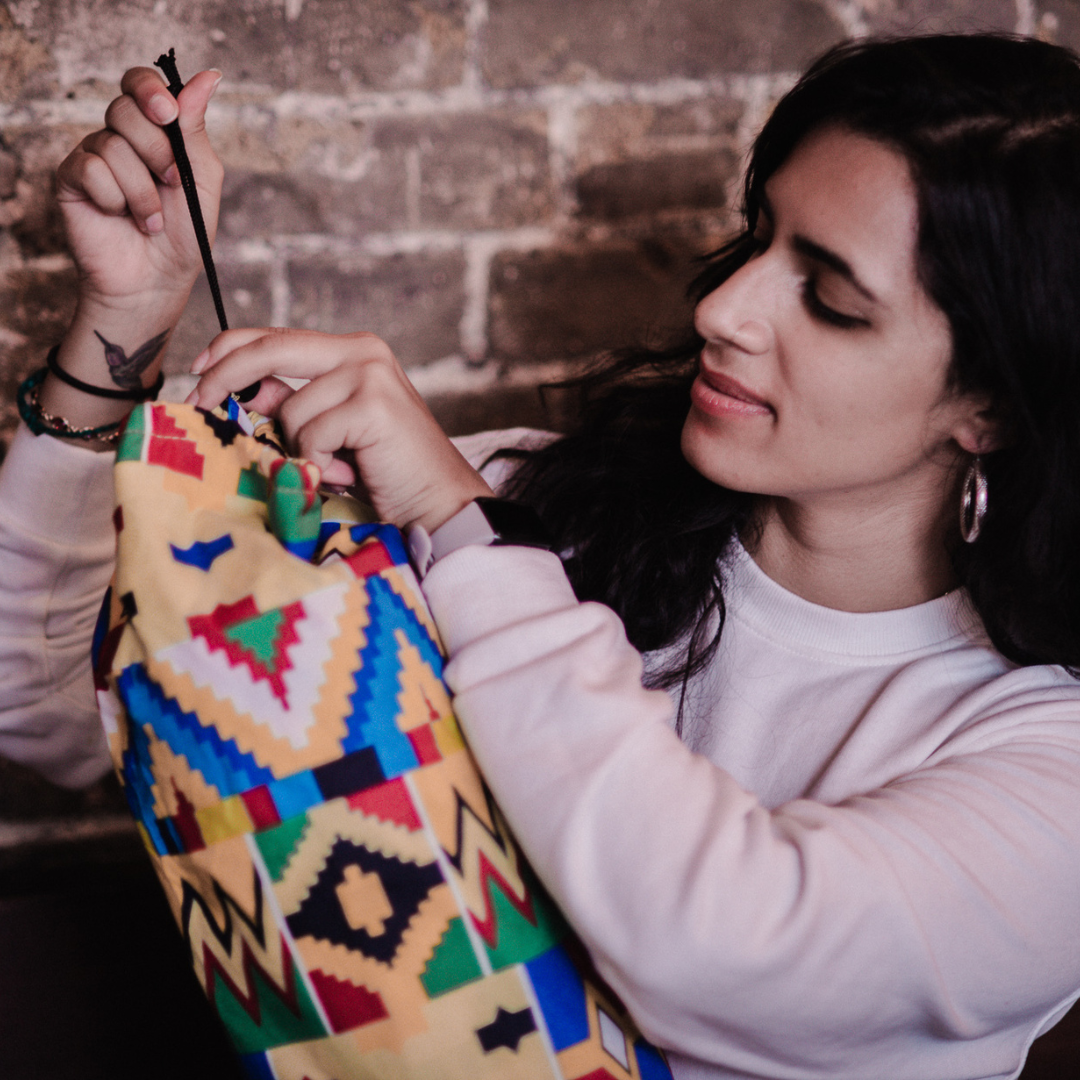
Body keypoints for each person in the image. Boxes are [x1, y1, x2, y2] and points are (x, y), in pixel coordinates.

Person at [6, 30, 1080, 1080]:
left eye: (832, 299)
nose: (721, 307)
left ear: (990, 402)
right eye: (759, 239)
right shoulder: (547, 505)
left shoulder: (1048, 762)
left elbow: (716, 947)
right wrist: (127, 323)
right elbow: (57, 702)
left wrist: (466, 530)